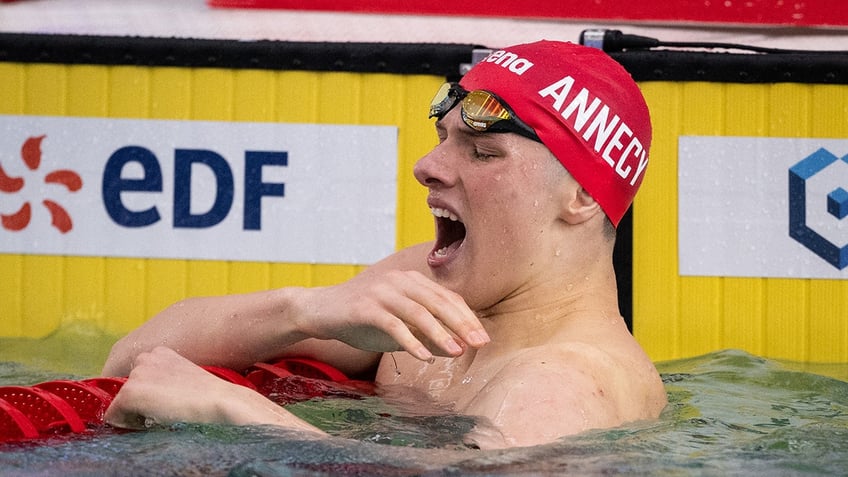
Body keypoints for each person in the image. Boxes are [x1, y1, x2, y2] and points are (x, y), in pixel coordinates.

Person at [101, 40, 667, 449]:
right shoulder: (430, 291)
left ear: (581, 197)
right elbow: (133, 358)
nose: (427, 167)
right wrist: (306, 310)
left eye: (483, 152)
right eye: (443, 139)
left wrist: (238, 410)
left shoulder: (560, 385)